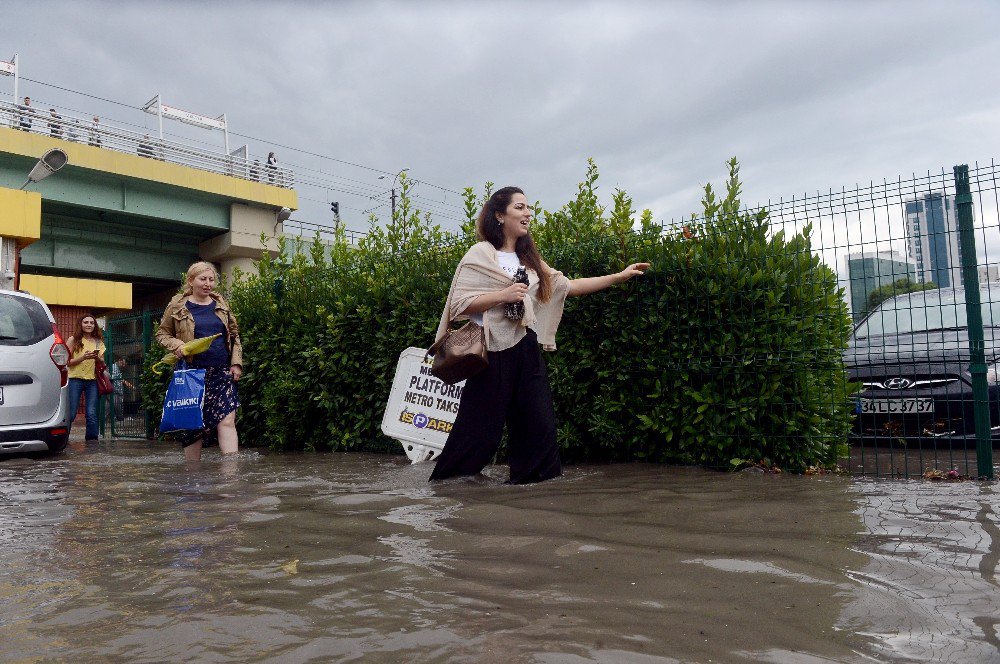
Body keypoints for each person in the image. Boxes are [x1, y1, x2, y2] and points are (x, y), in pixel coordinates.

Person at [429, 186, 650, 484]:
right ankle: (449, 485)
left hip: (525, 350)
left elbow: (568, 287)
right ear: (499, 215)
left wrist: (618, 276)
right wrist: (502, 295)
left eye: (528, 208)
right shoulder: (481, 253)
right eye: (519, 207)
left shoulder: (531, 261)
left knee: (539, 425)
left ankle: (534, 486)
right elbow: (460, 304)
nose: (528, 213)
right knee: (479, 431)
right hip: (491, 353)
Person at [156, 261, 243, 460]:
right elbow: (162, 333)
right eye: (203, 279)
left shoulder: (221, 304)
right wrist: (177, 345)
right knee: (192, 424)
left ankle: (231, 476)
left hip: (221, 372)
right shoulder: (178, 305)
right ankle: (193, 476)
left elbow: (234, 335)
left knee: (227, 420)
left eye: (211, 280)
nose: (208, 284)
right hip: (191, 373)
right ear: (191, 281)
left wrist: (236, 362)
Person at [66, 314, 106, 442]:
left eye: (92, 323)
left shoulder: (99, 341)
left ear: (95, 326)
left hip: (92, 381)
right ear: (81, 324)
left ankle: (92, 441)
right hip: (74, 379)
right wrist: (83, 358)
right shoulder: (73, 339)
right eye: (86, 322)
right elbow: (66, 362)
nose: (89, 325)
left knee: (91, 413)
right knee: (71, 413)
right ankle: (63, 438)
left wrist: (96, 358)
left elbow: (103, 363)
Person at [109, 357, 133, 422]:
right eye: (123, 363)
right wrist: (124, 382)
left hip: (117, 391)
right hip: (115, 391)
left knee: (117, 406)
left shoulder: (117, 368)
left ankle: (118, 419)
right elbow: (115, 379)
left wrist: (125, 382)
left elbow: (118, 378)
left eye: (124, 364)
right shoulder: (113, 367)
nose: (123, 366)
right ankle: (119, 420)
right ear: (119, 360)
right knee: (117, 406)